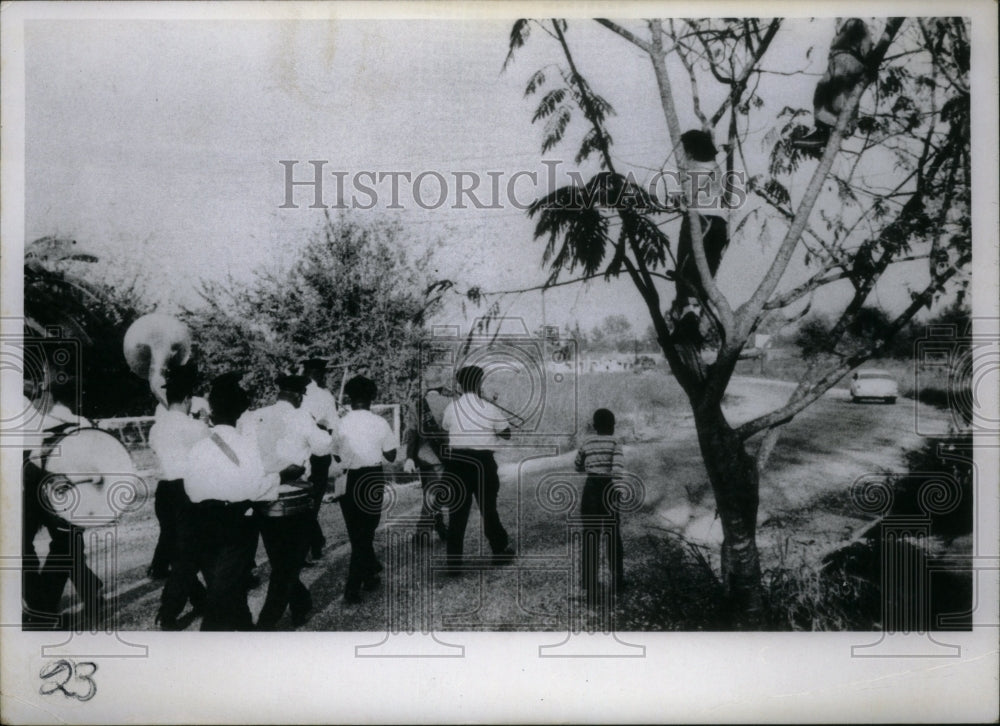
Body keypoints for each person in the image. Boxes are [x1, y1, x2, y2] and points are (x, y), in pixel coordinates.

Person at [183, 373, 277, 631]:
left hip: (203, 521)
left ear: (211, 411)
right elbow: (261, 488)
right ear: (239, 412)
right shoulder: (249, 446)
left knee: (220, 584)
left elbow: (190, 489)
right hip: (238, 523)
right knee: (223, 592)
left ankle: (244, 628)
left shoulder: (198, 448)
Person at [242, 373, 332, 629]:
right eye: (301, 396)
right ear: (296, 395)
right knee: (285, 567)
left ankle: (301, 601)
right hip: (293, 497)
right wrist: (324, 431)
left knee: (281, 559)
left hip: (262, 495)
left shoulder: (254, 416)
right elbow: (323, 448)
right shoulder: (301, 416)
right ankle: (267, 624)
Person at [21, 379, 108, 630]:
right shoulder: (84, 424)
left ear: (51, 397)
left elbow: (34, 463)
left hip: (40, 493)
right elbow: (97, 466)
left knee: (62, 547)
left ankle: (85, 594)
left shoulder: (39, 424)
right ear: (77, 397)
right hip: (75, 497)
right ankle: (46, 609)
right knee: (67, 547)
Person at [148, 362, 211, 630]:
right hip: (188, 489)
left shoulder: (156, 428)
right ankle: (169, 610)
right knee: (188, 554)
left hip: (164, 491)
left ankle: (200, 598)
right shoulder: (195, 427)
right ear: (187, 400)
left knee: (178, 549)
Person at [440, 365, 516, 574]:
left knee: (457, 513)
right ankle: (499, 551)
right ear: (480, 383)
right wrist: (490, 405)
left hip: (456, 463)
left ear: (460, 385)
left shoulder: (452, 408)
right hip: (483, 463)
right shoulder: (489, 408)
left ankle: (454, 563)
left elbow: (446, 428)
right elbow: (507, 434)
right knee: (488, 509)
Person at [336, 375, 397, 604]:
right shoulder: (379, 423)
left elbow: (333, 452)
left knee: (356, 533)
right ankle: (353, 586)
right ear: (372, 397)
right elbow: (391, 455)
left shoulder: (340, 423)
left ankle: (369, 574)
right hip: (371, 477)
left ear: (349, 398)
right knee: (366, 533)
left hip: (347, 477)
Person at [669, 129, 728, 346]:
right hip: (718, 224)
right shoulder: (714, 167)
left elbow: (683, 200)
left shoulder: (695, 168)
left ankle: (689, 322)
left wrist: (676, 199)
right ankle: (691, 322)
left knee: (685, 272)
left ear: (690, 150)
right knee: (703, 276)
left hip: (703, 221)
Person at [792, 18, 873, 153]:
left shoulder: (855, 24)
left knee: (836, 94)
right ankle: (823, 130)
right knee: (823, 92)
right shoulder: (850, 27)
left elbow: (866, 47)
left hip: (846, 59)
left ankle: (841, 125)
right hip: (842, 60)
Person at [574, 408, 626, 605]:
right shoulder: (615, 442)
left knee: (590, 534)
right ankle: (618, 580)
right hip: (609, 488)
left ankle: (589, 582)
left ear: (594, 426)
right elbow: (617, 468)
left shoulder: (587, 442)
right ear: (613, 426)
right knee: (613, 535)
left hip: (591, 488)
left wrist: (589, 466)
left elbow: (577, 465)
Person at [299, 357, 340, 563]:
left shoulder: (295, 394)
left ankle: (314, 542)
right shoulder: (324, 395)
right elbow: (333, 426)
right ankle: (309, 545)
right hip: (318, 450)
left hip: (297, 450)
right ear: (319, 374)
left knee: (301, 498)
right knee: (313, 500)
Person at [402, 367, 450, 544]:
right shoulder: (450, 403)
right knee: (435, 494)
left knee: (431, 492)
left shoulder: (417, 405)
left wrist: (410, 457)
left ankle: (439, 526)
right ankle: (423, 532)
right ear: (442, 386)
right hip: (443, 457)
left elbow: (412, 434)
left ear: (426, 387)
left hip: (423, 457)